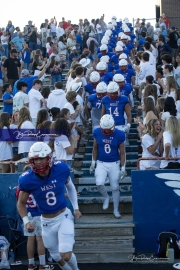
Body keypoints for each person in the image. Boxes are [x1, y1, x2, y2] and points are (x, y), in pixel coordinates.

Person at [17, 142, 82, 270]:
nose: (39, 162)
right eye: (36, 159)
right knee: (56, 256)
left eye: (42, 158)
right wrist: (26, 221)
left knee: (65, 255)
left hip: (63, 216)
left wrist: (75, 207)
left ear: (49, 157)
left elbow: (70, 186)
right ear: (31, 160)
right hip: (45, 221)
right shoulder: (26, 179)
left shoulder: (61, 168)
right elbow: (21, 203)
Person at [90, 114, 126, 218]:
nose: (106, 131)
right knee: (99, 183)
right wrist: (93, 161)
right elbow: (95, 148)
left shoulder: (119, 134)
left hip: (114, 163)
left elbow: (122, 152)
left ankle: (116, 210)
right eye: (104, 129)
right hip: (101, 162)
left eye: (108, 129)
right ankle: (106, 197)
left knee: (115, 187)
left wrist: (123, 167)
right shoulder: (97, 132)